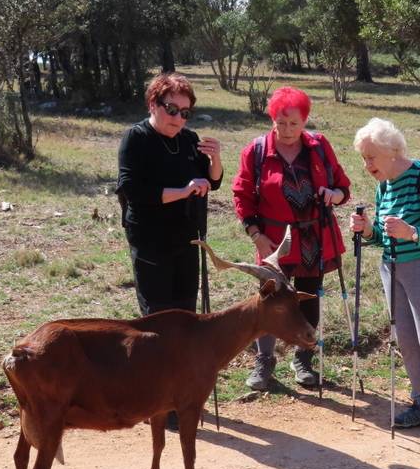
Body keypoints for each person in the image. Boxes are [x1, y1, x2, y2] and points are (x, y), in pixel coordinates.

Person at [349, 118, 420, 447]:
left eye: (371, 157)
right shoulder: (384, 183)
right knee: (407, 340)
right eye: (363, 158)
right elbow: (385, 239)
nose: (366, 164)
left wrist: (411, 232)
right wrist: (368, 230)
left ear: (391, 151)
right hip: (394, 268)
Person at [116, 73, 223, 426]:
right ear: (153, 104)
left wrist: (215, 162)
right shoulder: (136, 138)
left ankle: (180, 400)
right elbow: (134, 191)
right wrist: (183, 189)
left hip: (185, 239)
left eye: (186, 112)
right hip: (150, 240)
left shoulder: (190, 140)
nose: (178, 118)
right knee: (157, 323)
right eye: (172, 109)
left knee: (184, 319)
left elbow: (213, 182)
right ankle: (156, 404)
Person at [232, 86, 351, 390]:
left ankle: (304, 359)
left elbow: (342, 188)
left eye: (294, 124)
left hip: (314, 237)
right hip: (272, 242)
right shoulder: (256, 151)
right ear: (272, 120)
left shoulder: (320, 146)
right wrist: (255, 234)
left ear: (305, 121)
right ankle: (265, 361)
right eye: (280, 123)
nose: (287, 130)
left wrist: (333, 195)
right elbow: (242, 195)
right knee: (270, 302)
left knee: (308, 298)